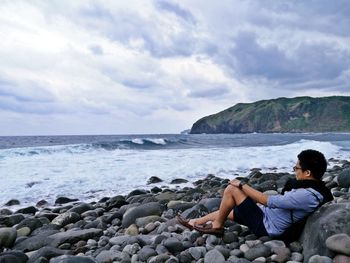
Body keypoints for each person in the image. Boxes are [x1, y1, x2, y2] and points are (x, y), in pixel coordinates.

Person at [177, 149, 334, 240]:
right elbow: (276, 203)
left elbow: (268, 200)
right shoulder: (310, 188)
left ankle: (217, 227)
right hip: (268, 216)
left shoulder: (307, 195)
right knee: (230, 211)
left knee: (232, 190)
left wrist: (242, 184)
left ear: (307, 172)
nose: (294, 170)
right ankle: (194, 222)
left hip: (267, 227)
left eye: (296, 168)